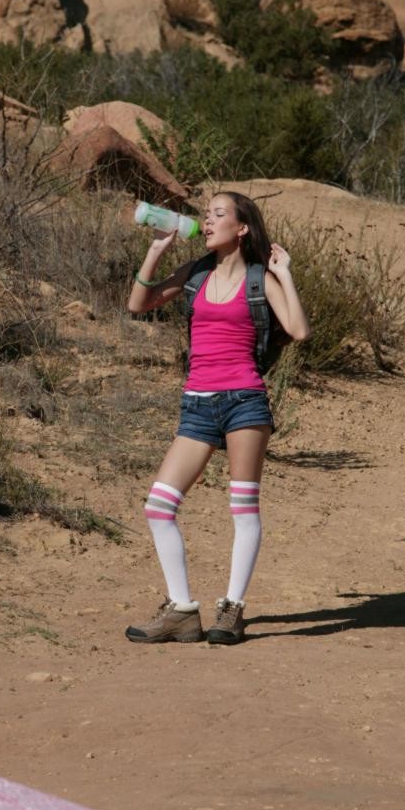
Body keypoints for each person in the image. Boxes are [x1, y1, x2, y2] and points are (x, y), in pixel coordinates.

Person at [125, 190, 310, 646]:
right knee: (158, 506)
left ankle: (232, 609)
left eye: (217, 215)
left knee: (242, 508)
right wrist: (156, 250)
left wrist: (283, 274)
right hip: (198, 404)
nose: (206, 222)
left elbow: (299, 330)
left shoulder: (258, 277)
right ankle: (182, 611)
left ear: (242, 227)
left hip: (244, 401)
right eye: (205, 216)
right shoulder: (196, 273)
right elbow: (138, 304)